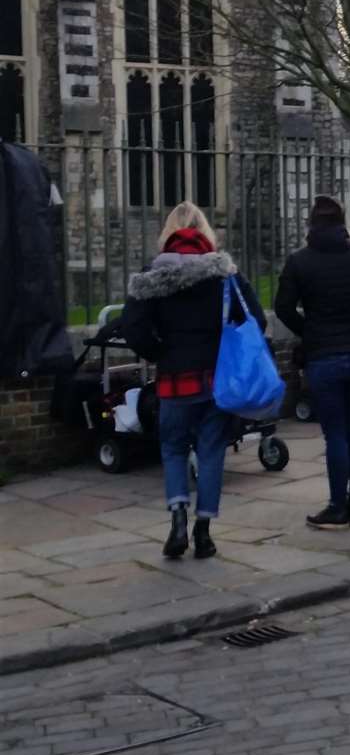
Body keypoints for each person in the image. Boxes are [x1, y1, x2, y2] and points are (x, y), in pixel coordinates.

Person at [120, 201, 264, 562]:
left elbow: (132, 328)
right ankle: (204, 532)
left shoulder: (152, 275)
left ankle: (177, 522)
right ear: (205, 233)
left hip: (173, 381)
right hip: (217, 381)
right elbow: (256, 321)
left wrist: (159, 353)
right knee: (211, 451)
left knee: (172, 450)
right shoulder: (224, 274)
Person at [274, 194, 350, 530]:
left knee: (335, 434)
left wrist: (309, 330)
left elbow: (282, 307)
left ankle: (337, 505)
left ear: (311, 225)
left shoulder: (299, 261)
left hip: (323, 356)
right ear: (343, 224)